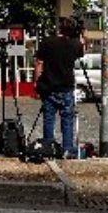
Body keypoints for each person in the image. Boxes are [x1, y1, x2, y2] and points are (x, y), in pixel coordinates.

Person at [34, 17, 84, 158]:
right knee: (67, 119)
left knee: (49, 118)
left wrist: (36, 82)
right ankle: (67, 148)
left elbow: (39, 63)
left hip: (48, 86)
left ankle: (48, 147)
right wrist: (79, 35)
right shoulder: (75, 44)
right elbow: (81, 52)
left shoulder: (48, 42)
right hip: (66, 87)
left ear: (60, 28)